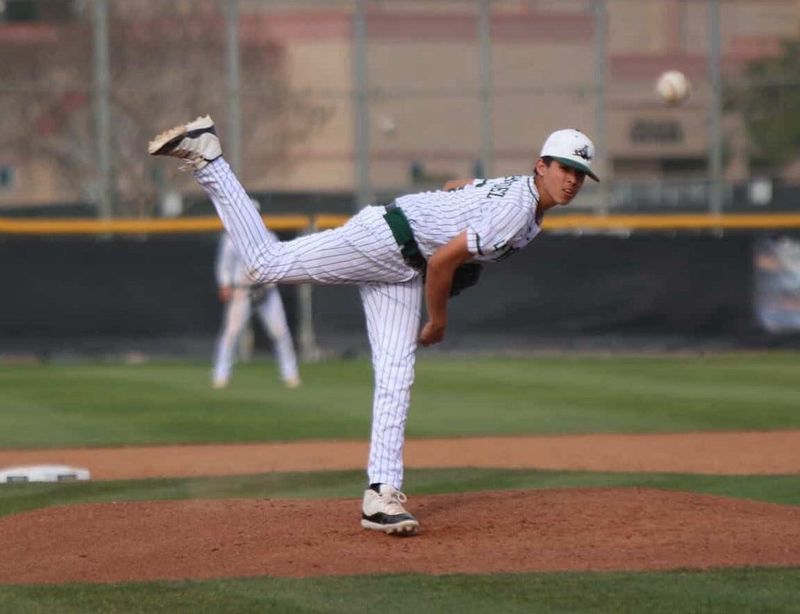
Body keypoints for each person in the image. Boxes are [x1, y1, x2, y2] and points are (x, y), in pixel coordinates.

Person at [149, 115, 598, 535]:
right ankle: (209, 159)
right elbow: (443, 260)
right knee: (267, 262)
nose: (572, 180)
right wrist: (438, 319)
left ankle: (381, 494)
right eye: (565, 168)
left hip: (403, 268)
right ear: (542, 165)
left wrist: (451, 215)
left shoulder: (521, 193)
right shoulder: (518, 211)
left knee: (396, 374)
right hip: (384, 240)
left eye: (580, 173)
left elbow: (456, 186)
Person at [212, 206, 302, 390]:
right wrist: (224, 284)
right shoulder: (231, 238)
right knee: (230, 334)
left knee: (280, 332)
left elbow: (279, 261)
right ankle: (220, 375)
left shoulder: (269, 236)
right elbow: (224, 265)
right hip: (242, 291)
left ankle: (290, 374)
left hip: (266, 291)